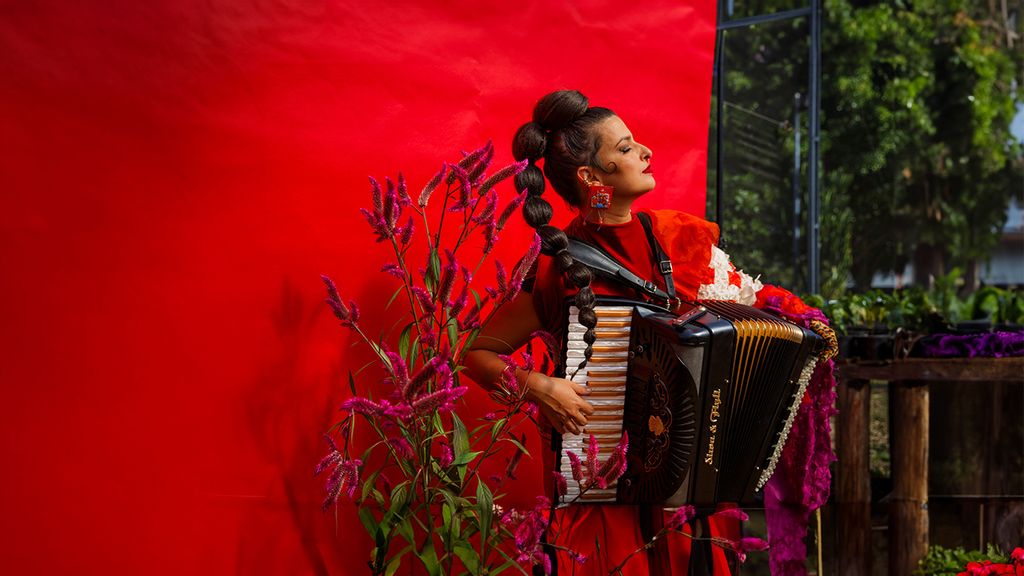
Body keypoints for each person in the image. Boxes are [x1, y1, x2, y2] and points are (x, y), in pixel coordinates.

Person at [463, 90, 836, 575]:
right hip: (602, 486)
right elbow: (476, 354)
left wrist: (803, 319)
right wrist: (540, 387)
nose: (645, 152)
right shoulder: (558, 266)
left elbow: (751, 298)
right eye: (625, 148)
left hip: (689, 483)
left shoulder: (679, 237)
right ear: (591, 178)